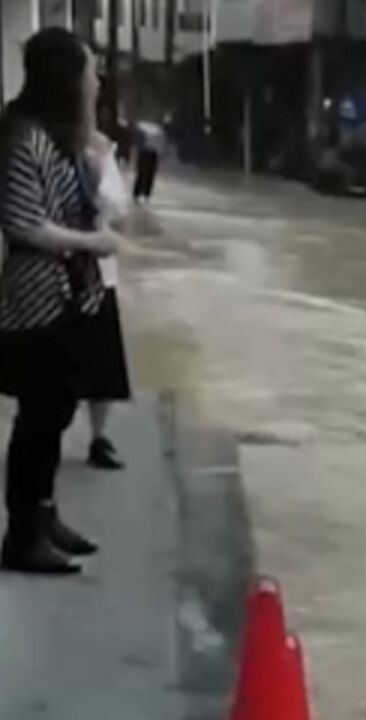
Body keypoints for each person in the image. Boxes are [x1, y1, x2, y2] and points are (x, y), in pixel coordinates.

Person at [0, 28, 121, 574]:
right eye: (89, 73)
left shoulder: (62, 136)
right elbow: (24, 224)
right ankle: (23, 534)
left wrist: (94, 142)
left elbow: (92, 203)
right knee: (40, 415)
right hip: (35, 297)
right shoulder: (23, 137)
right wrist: (91, 244)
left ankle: (43, 516)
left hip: (70, 295)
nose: (96, 82)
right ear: (64, 79)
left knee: (57, 408)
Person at [82, 129, 133, 471]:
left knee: (102, 364)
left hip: (100, 271)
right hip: (54, 271)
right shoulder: (41, 143)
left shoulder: (100, 148)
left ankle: (98, 437)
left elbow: (117, 208)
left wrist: (100, 161)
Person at [133, 119, 163, 203]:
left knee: (146, 173)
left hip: (149, 152)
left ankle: (142, 194)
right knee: (145, 173)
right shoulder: (156, 131)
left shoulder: (144, 130)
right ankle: (142, 194)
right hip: (148, 152)